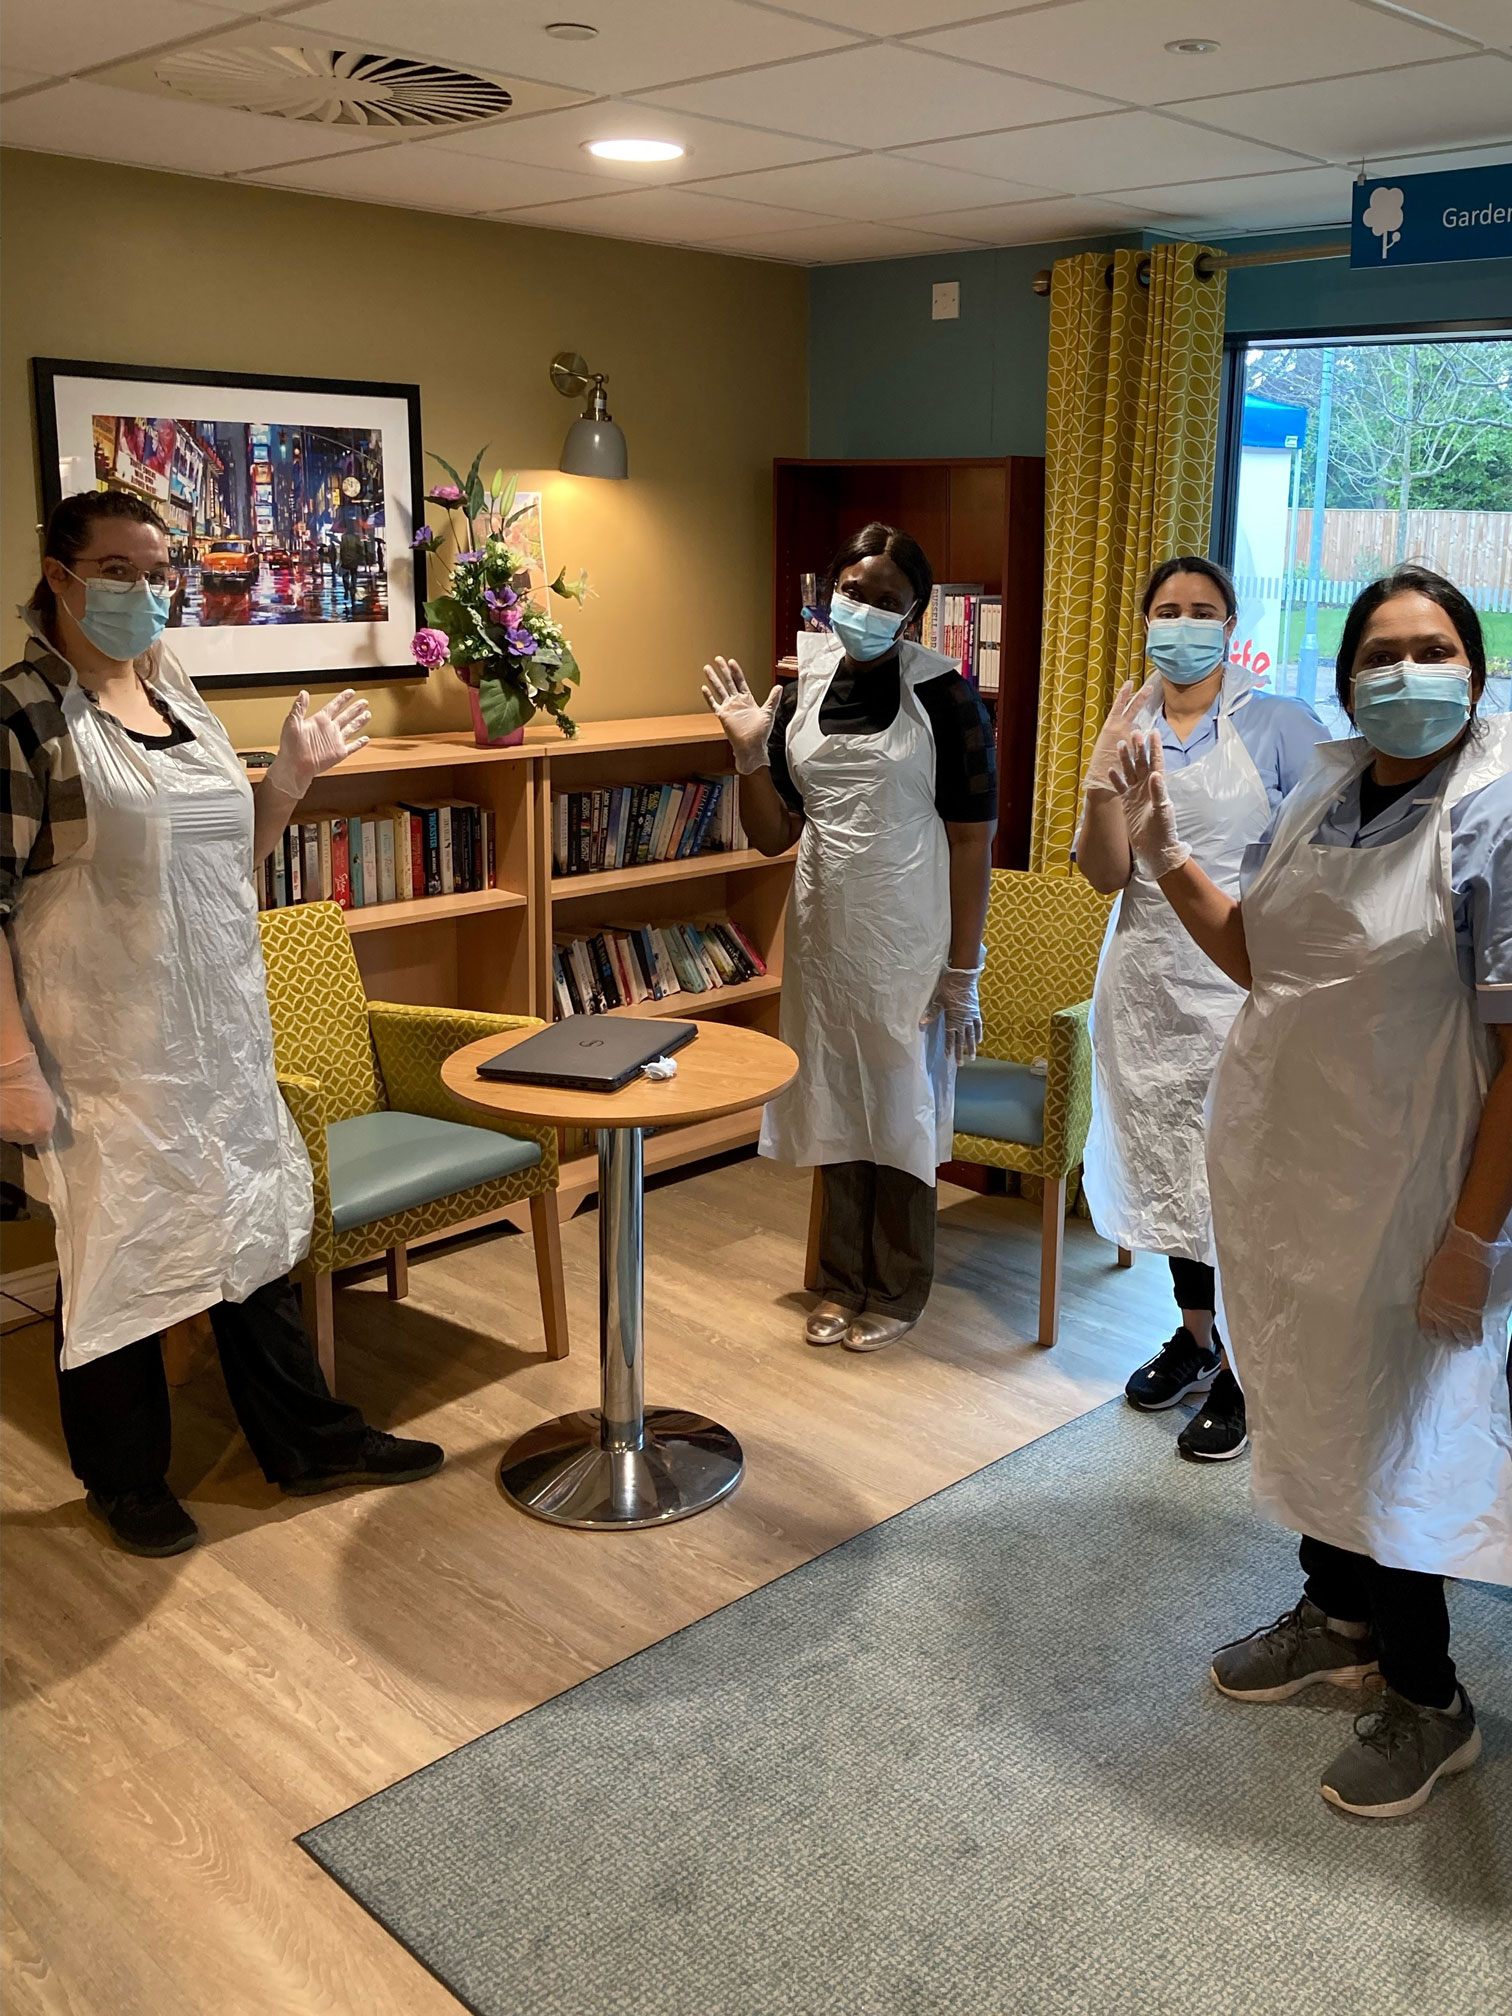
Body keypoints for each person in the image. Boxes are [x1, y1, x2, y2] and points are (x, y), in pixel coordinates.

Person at [1106, 565, 1510, 1818]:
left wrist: (1471, 1237)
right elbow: (1258, 955)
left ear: (1476, 667)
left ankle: (1431, 1699)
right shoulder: (1329, 786)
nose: (1406, 672)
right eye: (1381, 653)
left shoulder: (1493, 810)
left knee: (1398, 1424)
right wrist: (1166, 852)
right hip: (1300, 1163)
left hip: (1418, 1174)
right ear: (1344, 679)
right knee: (1308, 1386)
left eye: (1433, 648)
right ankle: (1337, 1618)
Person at [1, 488, 444, 1559]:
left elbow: (220, 869)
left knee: (249, 1233)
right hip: (102, 1050)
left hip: (216, 1036)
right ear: (59, 576)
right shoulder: (23, 715)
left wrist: (286, 782)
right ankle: (125, 1480)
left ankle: (310, 1440)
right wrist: (11, 1065)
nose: (144, 593)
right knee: (116, 1253)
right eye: (118, 571)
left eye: (159, 574)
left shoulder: (176, 692)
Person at [702, 522, 996, 1352]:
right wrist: (748, 757)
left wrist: (963, 970)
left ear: (914, 613)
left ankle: (897, 1289)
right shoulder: (802, 688)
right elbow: (772, 837)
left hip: (910, 938)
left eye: (886, 600)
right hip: (825, 933)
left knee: (899, 1111)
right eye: (853, 591)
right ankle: (837, 1279)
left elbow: (973, 840)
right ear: (831, 589)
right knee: (832, 1097)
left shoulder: (947, 697)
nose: (864, 608)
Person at [1076, 558, 1327, 1460]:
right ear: (1145, 621)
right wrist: (1100, 792)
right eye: (1167, 610)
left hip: (1241, 979)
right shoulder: (1127, 723)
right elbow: (1105, 874)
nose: (1183, 625)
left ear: (1230, 624)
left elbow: (1319, 859)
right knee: (1175, 1175)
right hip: (1146, 985)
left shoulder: (1280, 724)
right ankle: (1198, 1340)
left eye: (1202, 610)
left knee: (1241, 1181)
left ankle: (1249, 1375)